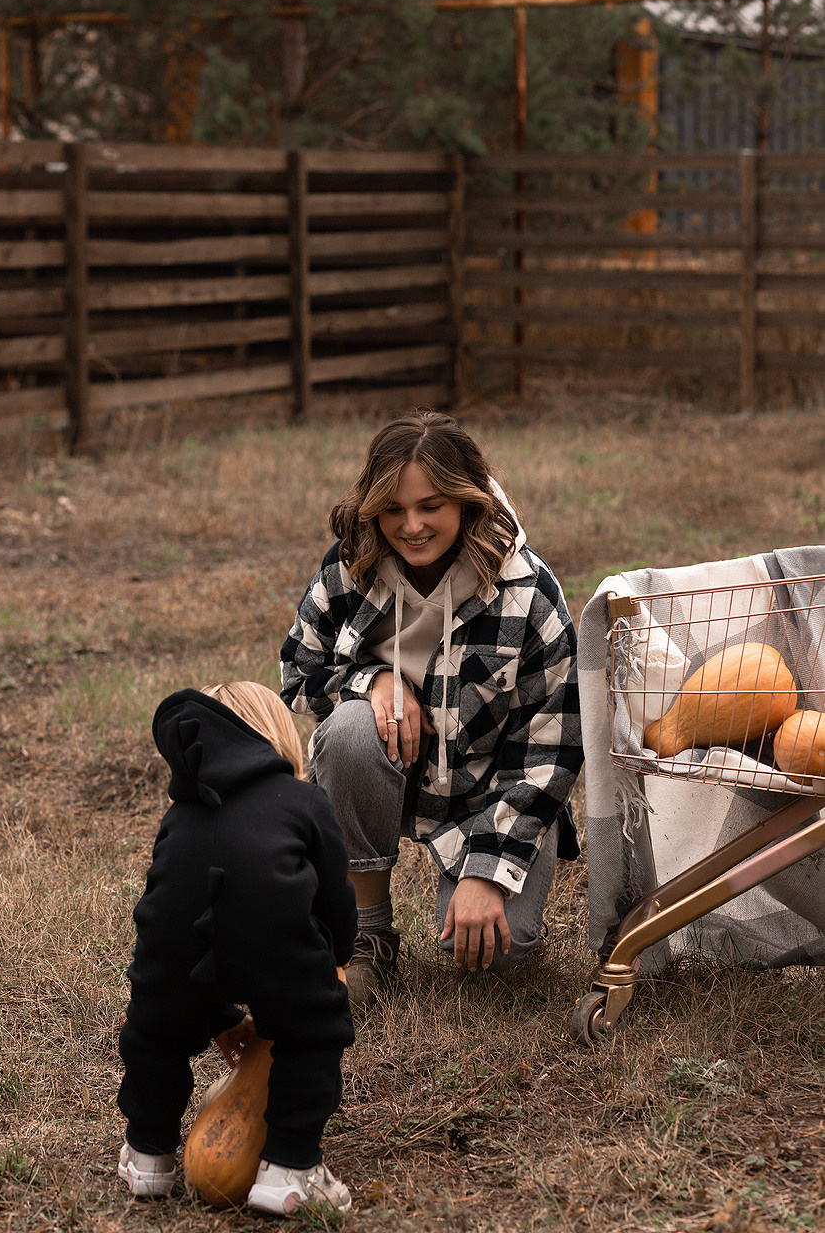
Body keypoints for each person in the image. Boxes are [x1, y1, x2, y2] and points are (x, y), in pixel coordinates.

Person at [280, 411, 583, 1007]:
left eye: (431, 506)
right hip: (386, 766)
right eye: (393, 508)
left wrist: (487, 871)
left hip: (486, 793)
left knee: (493, 956)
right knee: (347, 731)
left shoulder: (527, 590)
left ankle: (484, 882)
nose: (411, 526)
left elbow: (552, 748)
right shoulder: (352, 563)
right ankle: (366, 932)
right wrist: (372, 680)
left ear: (466, 501)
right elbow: (298, 670)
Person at [116, 680, 357, 1216]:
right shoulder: (305, 800)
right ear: (277, 737)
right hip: (275, 942)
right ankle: (291, 1168)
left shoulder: (179, 815)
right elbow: (335, 901)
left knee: (155, 1032)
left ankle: (147, 1154)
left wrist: (212, 1010)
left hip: (173, 947)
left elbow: (174, 907)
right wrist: (334, 959)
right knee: (310, 1031)